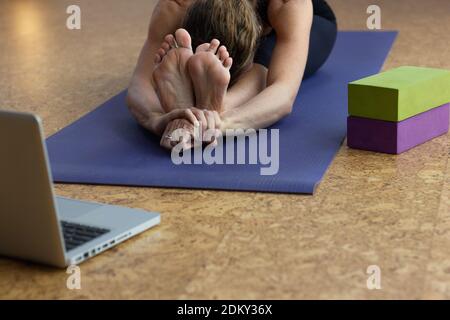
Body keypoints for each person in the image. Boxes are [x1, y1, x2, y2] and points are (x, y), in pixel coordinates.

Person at [127, 0, 337, 150]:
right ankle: (204, 101)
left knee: (267, 57)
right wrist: (158, 120)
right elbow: (140, 82)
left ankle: (214, 103)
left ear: (262, 27)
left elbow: (283, 91)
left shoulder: (289, 4)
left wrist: (218, 124)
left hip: (316, 22)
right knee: (184, 55)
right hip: (217, 46)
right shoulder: (177, 4)